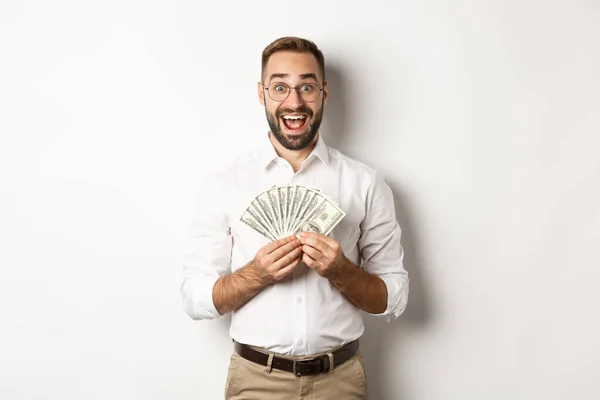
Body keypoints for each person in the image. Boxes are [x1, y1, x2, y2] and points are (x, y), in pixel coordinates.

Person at [181, 36, 409, 400]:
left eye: (306, 86)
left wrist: (341, 270)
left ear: (324, 93)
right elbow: (195, 298)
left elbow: (392, 296)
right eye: (280, 87)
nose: (294, 101)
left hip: (342, 380)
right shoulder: (224, 184)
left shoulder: (366, 183)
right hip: (256, 381)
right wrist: (256, 274)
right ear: (262, 93)